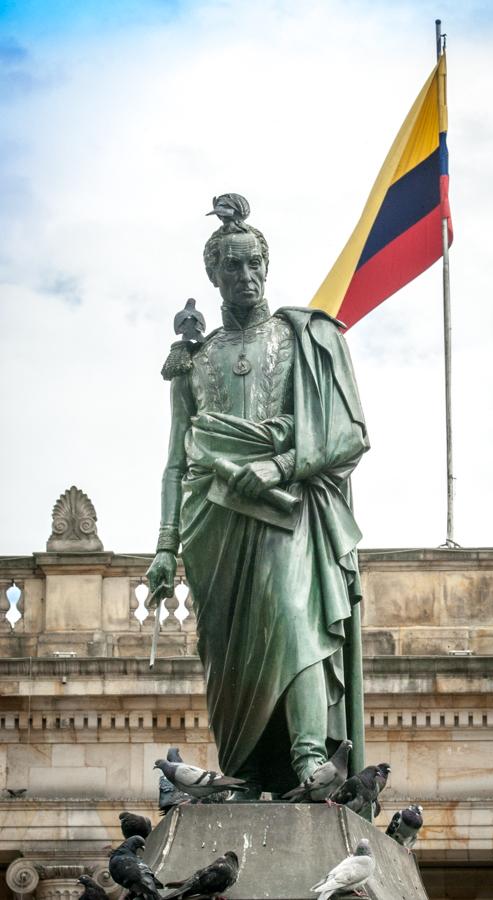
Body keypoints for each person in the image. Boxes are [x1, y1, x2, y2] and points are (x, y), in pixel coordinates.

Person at [147, 198, 369, 797]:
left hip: (286, 511)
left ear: (266, 267)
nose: (245, 277)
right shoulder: (193, 362)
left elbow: (349, 434)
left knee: (295, 615)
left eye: (254, 265)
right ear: (213, 275)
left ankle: (307, 757)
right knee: (230, 661)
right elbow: (176, 459)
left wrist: (279, 465)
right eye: (232, 267)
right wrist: (165, 546)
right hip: (213, 526)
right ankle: (245, 771)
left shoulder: (305, 339)